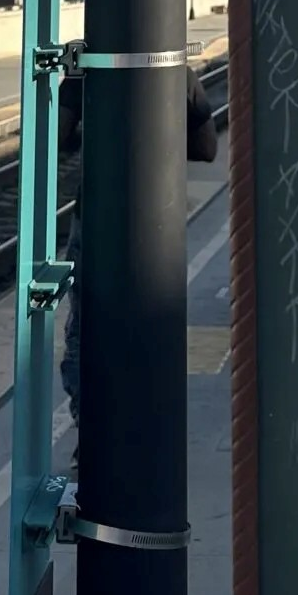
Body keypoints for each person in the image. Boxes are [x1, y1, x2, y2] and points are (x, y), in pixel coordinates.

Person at [60, 53, 218, 435]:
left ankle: (90, 431)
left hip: (96, 217)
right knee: (150, 318)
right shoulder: (178, 73)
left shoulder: (85, 73)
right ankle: (146, 427)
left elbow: (57, 139)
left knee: (86, 327)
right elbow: (207, 149)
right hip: (156, 220)